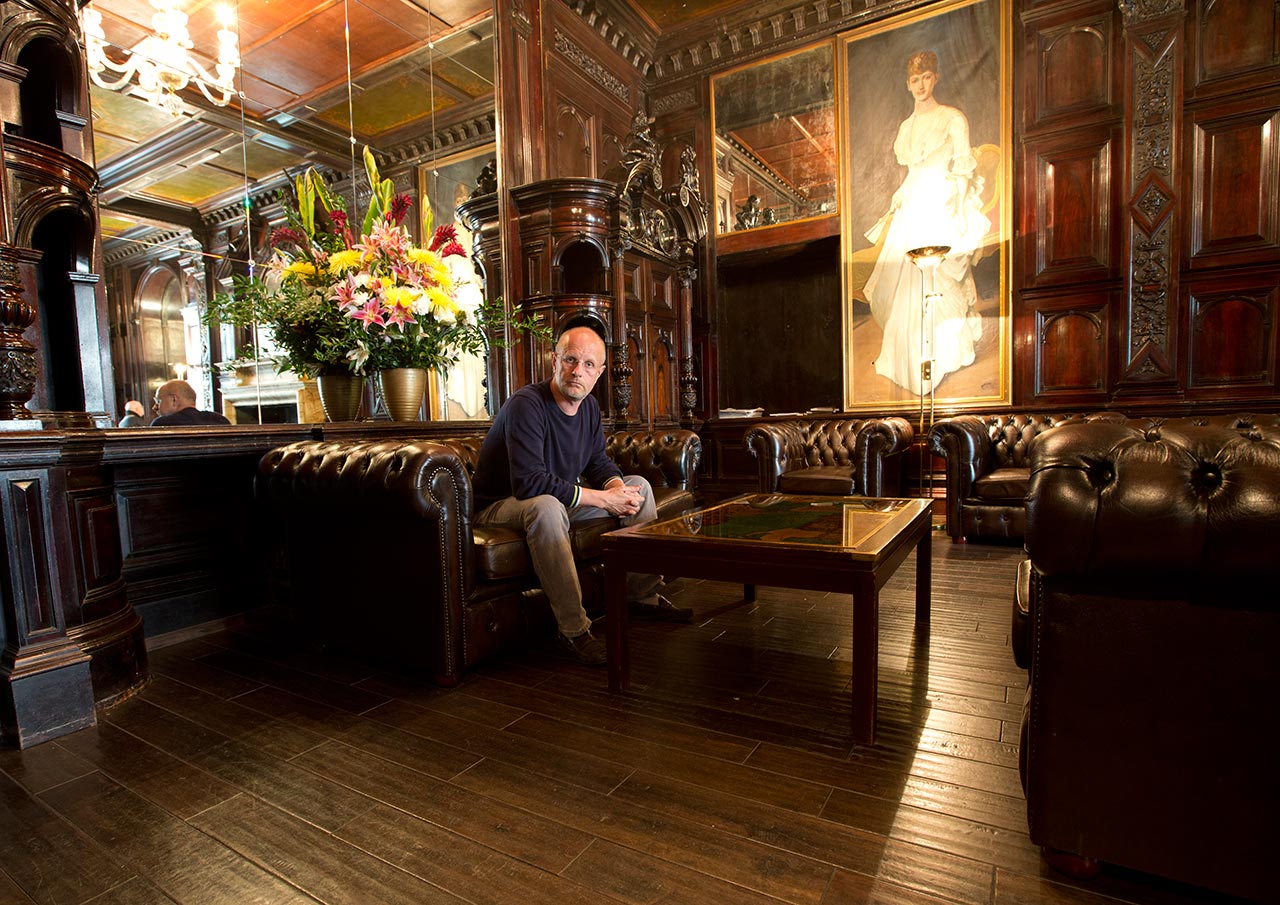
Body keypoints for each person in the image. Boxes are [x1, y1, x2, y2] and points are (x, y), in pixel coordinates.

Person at [471, 325, 692, 666]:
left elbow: (597, 463)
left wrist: (616, 488)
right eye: (570, 360)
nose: (578, 371)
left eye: (589, 364)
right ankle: (573, 629)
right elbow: (529, 483)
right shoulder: (526, 405)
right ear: (554, 361)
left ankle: (642, 596)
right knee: (546, 507)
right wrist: (603, 500)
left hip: (552, 499)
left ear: (599, 373)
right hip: (499, 506)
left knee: (639, 487)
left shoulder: (588, 407)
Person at [862, 50, 992, 396]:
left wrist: (958, 205)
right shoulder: (906, 127)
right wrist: (900, 193)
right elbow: (913, 173)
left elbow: (963, 168)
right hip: (914, 203)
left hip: (941, 198)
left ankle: (944, 355)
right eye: (914, 80)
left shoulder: (952, 118)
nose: (920, 85)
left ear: (936, 78)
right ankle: (909, 359)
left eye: (926, 78)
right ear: (908, 84)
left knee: (938, 279)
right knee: (904, 282)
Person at [150, 379, 231, 426]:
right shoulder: (220, 420)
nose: (154, 407)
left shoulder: (162, 424)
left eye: (158, 401)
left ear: (174, 399)